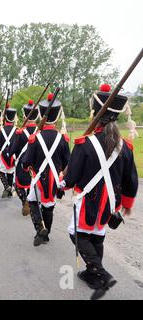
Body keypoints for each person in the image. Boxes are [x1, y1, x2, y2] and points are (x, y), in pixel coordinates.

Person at [62, 84, 138, 300]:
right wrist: (127, 205)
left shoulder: (84, 143)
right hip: (110, 203)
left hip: (88, 201)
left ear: (95, 113)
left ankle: (101, 274)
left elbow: (71, 178)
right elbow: (131, 181)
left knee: (76, 233)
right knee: (96, 236)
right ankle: (91, 274)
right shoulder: (126, 147)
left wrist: (63, 183)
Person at [22, 93, 70, 246]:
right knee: (49, 207)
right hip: (54, 179)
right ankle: (46, 234)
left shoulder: (35, 138)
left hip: (38, 178)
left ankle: (39, 228)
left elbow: (26, 161)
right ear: (56, 117)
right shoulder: (62, 139)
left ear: (41, 114)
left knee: (32, 201)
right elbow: (67, 163)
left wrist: (25, 166)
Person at [10, 100, 39, 216]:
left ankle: (25, 200)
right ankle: (32, 203)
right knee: (35, 186)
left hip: (23, 165)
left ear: (25, 115)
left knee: (18, 186)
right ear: (37, 116)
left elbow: (12, 150)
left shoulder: (20, 132)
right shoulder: (40, 132)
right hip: (37, 166)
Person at [0, 104, 18, 198]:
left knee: (1, 172)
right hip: (13, 155)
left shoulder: (1, 130)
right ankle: (9, 192)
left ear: (5, 118)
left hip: (3, 155)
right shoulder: (17, 130)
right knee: (10, 172)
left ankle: (6, 187)